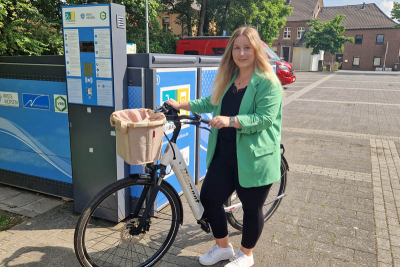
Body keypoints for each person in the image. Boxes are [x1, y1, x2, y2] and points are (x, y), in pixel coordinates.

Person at [165, 26, 283, 267]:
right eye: (237, 48)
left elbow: (264, 119)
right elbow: (211, 101)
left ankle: (246, 254)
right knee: (209, 197)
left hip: (253, 156)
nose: (241, 53)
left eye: (247, 48)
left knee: (251, 208)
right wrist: (181, 105)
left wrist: (230, 121)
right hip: (225, 152)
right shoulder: (230, 77)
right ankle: (223, 248)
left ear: (256, 50)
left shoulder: (268, 82)